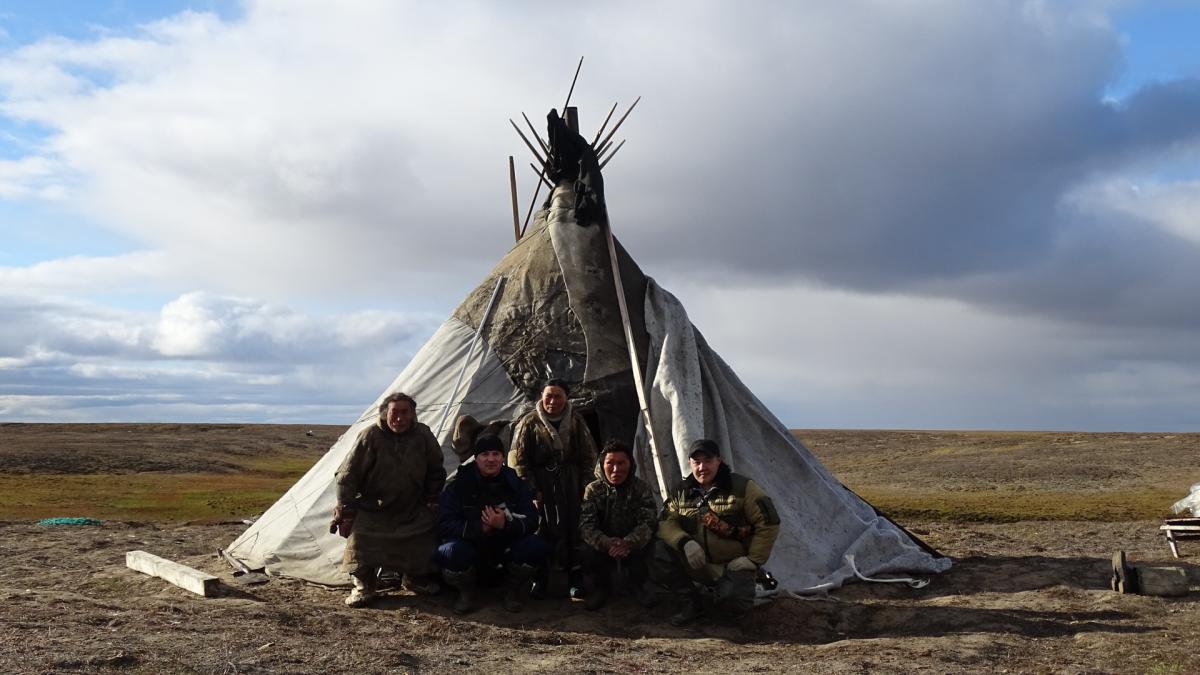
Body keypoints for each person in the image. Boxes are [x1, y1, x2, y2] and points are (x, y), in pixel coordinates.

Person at [330, 392, 446, 608]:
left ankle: (414, 578)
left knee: (426, 530)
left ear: (413, 414)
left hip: (412, 505)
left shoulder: (422, 434)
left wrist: (432, 497)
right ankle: (364, 586)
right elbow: (347, 476)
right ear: (385, 413)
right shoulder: (370, 436)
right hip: (374, 508)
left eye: (405, 412)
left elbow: (436, 468)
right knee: (360, 536)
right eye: (394, 413)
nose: (399, 418)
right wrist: (346, 512)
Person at [651, 439, 781, 626]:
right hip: (696, 562)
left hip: (731, 566)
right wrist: (684, 542)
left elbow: (769, 522)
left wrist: (753, 560)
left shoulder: (742, 487)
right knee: (657, 551)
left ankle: (725, 600)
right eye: (697, 462)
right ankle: (691, 601)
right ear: (690, 463)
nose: (702, 467)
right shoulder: (682, 491)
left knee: (733, 607)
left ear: (719, 460)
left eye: (708, 460)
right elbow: (665, 521)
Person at [435, 435, 551, 614]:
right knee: (450, 551)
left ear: (503, 458)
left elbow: (531, 519)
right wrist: (479, 528)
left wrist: (505, 525)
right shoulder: (459, 486)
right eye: (485, 454)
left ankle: (512, 590)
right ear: (476, 458)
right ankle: (465, 592)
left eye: (496, 454)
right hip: (471, 546)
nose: (491, 459)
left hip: (505, 546)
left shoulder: (516, 485)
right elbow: (445, 522)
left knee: (535, 546)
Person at [509, 378, 598, 597]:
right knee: (544, 527)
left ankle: (575, 577)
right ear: (541, 396)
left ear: (566, 397)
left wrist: (585, 486)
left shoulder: (576, 420)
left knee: (574, 527)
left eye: (558, 396)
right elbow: (518, 461)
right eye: (549, 396)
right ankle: (541, 578)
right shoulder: (529, 422)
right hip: (543, 484)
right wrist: (532, 490)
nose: (553, 401)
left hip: (571, 482)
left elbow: (589, 455)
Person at [577, 439, 660, 610]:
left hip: (632, 545)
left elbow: (648, 522)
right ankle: (601, 588)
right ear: (602, 465)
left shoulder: (641, 488)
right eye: (610, 463)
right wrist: (606, 542)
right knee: (586, 551)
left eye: (621, 463)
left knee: (653, 545)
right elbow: (586, 525)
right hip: (605, 545)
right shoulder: (593, 490)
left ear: (630, 464)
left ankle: (638, 586)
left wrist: (628, 542)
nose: (616, 469)